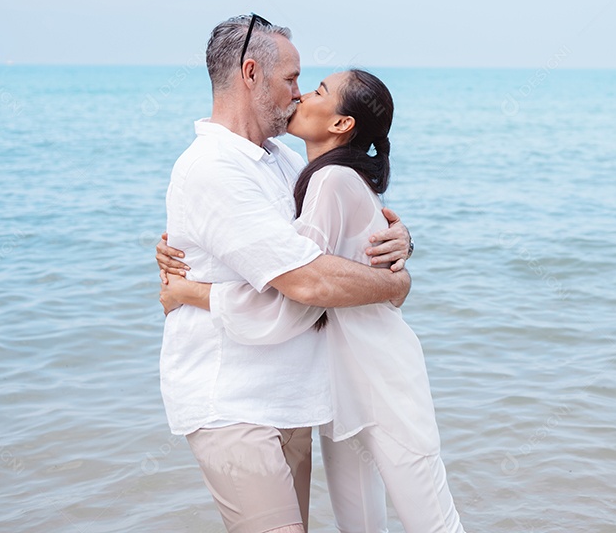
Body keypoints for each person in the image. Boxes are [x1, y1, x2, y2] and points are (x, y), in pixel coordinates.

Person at [159, 69, 467, 533]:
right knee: (372, 522)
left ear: (342, 125)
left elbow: (297, 298)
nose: (302, 93)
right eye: (296, 80)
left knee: (429, 520)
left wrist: (192, 292)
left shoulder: (329, 181)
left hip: (376, 373)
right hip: (339, 379)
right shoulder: (300, 172)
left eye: (318, 89)